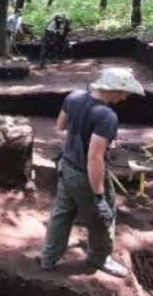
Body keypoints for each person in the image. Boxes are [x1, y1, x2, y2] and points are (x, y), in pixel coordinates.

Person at [41, 67, 145, 278]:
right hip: (85, 175)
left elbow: (61, 126)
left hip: (66, 165)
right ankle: (100, 258)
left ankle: (48, 258)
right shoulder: (107, 116)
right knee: (101, 218)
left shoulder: (74, 96)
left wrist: (83, 132)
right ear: (115, 90)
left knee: (62, 213)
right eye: (124, 93)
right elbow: (94, 158)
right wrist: (99, 196)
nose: (125, 98)